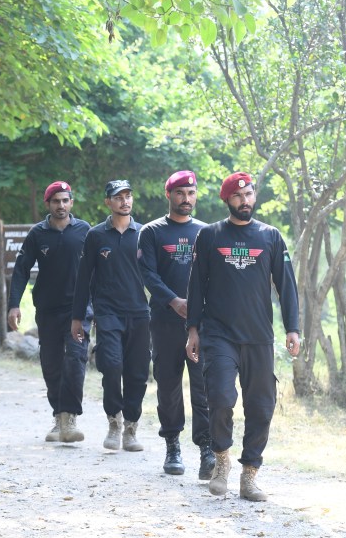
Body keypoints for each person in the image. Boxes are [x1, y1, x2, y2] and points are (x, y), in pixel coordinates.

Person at [185, 172, 301, 501]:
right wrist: (193, 329)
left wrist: (292, 327)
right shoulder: (209, 236)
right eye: (238, 197)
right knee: (220, 398)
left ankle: (249, 475)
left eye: (249, 194)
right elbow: (196, 286)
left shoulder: (270, 236)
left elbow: (286, 285)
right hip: (218, 334)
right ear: (227, 201)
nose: (245, 201)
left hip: (259, 336)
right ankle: (221, 460)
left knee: (262, 407)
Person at [138, 170, 214, 479]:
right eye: (180, 193)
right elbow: (148, 274)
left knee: (204, 385)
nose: (186, 198)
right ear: (168, 195)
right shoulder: (152, 232)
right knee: (168, 385)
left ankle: (207, 449)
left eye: (191, 193)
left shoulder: (207, 232)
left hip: (202, 323)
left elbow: (215, 276)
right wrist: (174, 301)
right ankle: (172, 444)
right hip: (165, 322)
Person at [8, 180, 92, 443]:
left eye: (65, 200)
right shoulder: (37, 234)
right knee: (52, 363)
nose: (61, 205)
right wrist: (13, 305)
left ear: (72, 202)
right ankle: (58, 416)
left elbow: (97, 271)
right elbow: (21, 270)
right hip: (47, 309)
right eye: (56, 201)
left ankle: (69, 417)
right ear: (48, 204)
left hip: (78, 310)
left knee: (76, 359)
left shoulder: (85, 231)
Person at [71, 180, 151, 452]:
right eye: (118, 197)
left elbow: (155, 276)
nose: (125, 201)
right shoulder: (95, 236)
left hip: (140, 313)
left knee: (138, 373)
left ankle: (131, 427)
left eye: (128, 196)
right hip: (107, 313)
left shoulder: (144, 233)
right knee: (112, 365)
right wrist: (78, 318)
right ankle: (114, 421)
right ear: (108, 202)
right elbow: (83, 280)